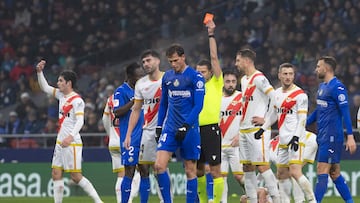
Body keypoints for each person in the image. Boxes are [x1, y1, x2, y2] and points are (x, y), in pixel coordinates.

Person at [36, 60, 103, 203]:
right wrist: (39, 72)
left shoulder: (77, 100)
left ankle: (99, 201)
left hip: (71, 142)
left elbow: (80, 121)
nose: (58, 83)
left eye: (60, 81)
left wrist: (70, 137)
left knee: (75, 176)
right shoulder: (61, 96)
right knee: (56, 173)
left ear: (68, 83)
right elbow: (45, 87)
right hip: (60, 141)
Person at [255, 63, 316, 203]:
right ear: (279, 75)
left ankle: (312, 200)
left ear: (294, 75)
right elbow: (272, 115)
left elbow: (302, 119)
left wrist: (295, 137)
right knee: (281, 174)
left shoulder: (300, 95)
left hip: (296, 139)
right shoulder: (276, 94)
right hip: (283, 140)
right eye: (285, 74)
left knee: (295, 171)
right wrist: (262, 128)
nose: (288, 77)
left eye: (290, 74)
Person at [155, 44, 205, 203]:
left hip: (189, 130)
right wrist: (158, 125)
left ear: (183, 57)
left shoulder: (195, 77)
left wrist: (186, 125)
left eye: (176, 60)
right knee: (158, 166)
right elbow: (163, 103)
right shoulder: (167, 77)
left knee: (191, 170)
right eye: (170, 61)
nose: (173, 64)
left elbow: (198, 105)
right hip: (170, 128)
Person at [307, 56, 356, 203]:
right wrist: (303, 123)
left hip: (332, 136)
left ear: (326, 68)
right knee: (334, 173)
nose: (316, 69)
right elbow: (318, 111)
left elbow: (345, 112)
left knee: (322, 170)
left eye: (318, 66)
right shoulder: (322, 87)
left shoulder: (337, 87)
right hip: (322, 135)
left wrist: (351, 136)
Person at [235, 49, 280, 203]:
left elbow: (275, 98)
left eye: (238, 60)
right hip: (244, 129)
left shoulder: (259, 78)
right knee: (247, 168)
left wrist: (266, 120)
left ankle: (277, 199)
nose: (236, 64)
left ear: (247, 61)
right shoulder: (244, 80)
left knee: (262, 166)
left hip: (256, 131)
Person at [124, 49, 165, 203]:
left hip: (168, 130)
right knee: (145, 169)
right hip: (147, 131)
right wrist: (128, 134)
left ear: (158, 61)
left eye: (149, 60)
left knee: (162, 167)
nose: (146, 64)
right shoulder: (141, 84)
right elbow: (135, 110)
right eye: (144, 62)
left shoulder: (167, 79)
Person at [196, 19, 224, 203]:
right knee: (197, 170)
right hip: (194, 131)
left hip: (211, 130)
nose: (200, 74)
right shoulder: (193, 85)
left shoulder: (216, 82)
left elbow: (214, 57)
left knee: (215, 170)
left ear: (210, 73)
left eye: (203, 72)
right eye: (197, 71)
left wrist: (211, 34)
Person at [111, 62, 144, 203]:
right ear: (130, 76)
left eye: (142, 76)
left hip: (144, 135)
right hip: (129, 137)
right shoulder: (121, 91)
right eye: (138, 77)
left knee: (145, 171)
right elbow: (117, 112)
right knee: (129, 171)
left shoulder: (144, 89)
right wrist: (133, 102)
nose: (141, 79)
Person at [102, 93, 140, 203]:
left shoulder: (111, 99)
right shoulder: (134, 97)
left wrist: (111, 135)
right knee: (138, 171)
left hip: (113, 141)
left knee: (121, 174)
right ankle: (129, 198)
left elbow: (105, 119)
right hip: (128, 140)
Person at [219, 69, 244, 203]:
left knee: (239, 176)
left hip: (237, 145)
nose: (230, 84)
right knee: (221, 176)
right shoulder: (217, 98)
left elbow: (247, 119)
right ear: (223, 82)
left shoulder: (242, 97)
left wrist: (240, 136)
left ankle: (255, 197)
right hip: (221, 144)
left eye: (233, 81)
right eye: (228, 81)